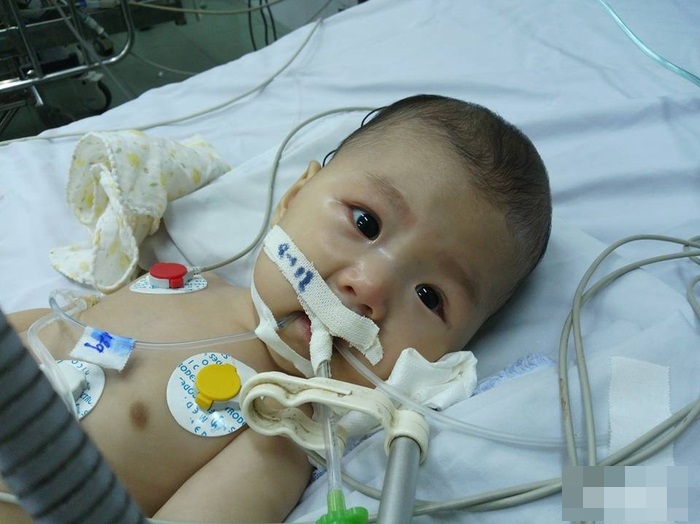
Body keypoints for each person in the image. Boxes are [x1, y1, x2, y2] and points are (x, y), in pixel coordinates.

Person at [0, 94, 551, 523]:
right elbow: (50, 330)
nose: (367, 285)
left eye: (430, 296)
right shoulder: (187, 281)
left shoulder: (281, 431)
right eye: (366, 223)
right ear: (292, 199)